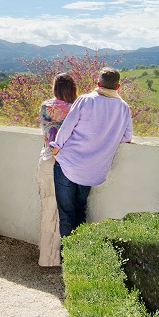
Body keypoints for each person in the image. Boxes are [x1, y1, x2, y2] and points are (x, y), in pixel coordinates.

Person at [51, 67, 133, 243]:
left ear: (98, 84)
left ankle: (66, 259)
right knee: (81, 211)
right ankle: (79, 258)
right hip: (92, 171)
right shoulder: (123, 108)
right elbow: (126, 137)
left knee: (66, 214)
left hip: (68, 164)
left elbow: (66, 128)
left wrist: (56, 147)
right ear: (118, 87)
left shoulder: (85, 100)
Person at [37, 73, 77, 267]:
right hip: (65, 163)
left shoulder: (45, 106)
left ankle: (47, 258)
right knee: (66, 212)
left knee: (48, 210)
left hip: (45, 160)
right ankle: (66, 259)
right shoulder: (75, 109)